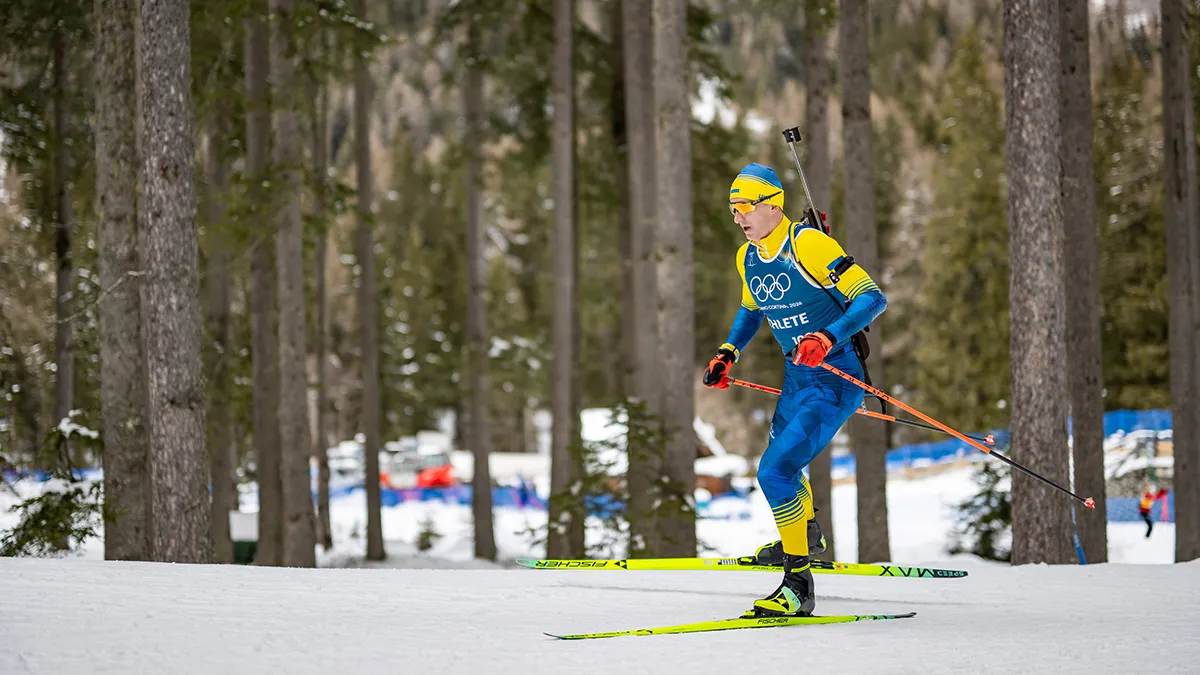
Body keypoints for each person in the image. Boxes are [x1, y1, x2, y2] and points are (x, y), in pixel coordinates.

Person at [702, 162, 887, 618]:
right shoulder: (748, 257)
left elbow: (872, 298)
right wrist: (728, 352)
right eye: (732, 210)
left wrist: (826, 338)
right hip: (797, 377)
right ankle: (808, 535)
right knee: (785, 466)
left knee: (775, 471)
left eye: (745, 206)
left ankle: (798, 585)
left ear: (772, 205)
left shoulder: (807, 243)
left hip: (835, 377)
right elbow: (751, 311)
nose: (739, 217)